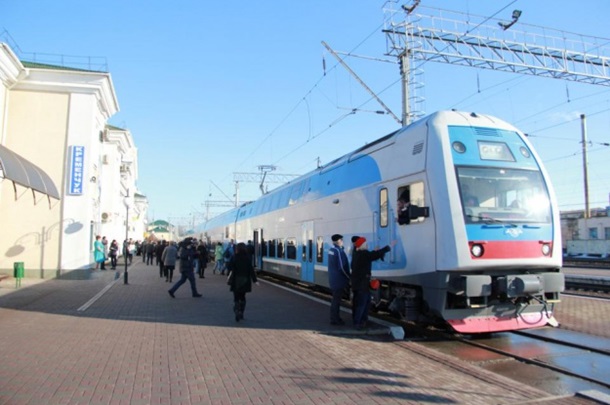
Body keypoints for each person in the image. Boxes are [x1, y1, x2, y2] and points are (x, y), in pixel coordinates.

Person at [350, 237, 392, 330]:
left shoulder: (356, 254)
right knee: (362, 303)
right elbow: (374, 255)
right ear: (362, 245)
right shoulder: (364, 254)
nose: (367, 245)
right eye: (365, 244)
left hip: (357, 284)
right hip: (362, 284)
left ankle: (360, 320)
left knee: (360, 302)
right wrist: (388, 247)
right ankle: (358, 322)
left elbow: (371, 255)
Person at [227, 242, 259, 322]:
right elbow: (251, 270)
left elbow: (229, 267)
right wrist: (255, 280)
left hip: (236, 280)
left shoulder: (234, 257)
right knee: (243, 297)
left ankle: (236, 310)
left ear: (237, 249)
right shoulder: (247, 258)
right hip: (245, 280)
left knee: (236, 297)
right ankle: (241, 312)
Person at [327, 234, 351, 325]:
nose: (342, 241)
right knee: (336, 301)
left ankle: (334, 318)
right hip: (339, 280)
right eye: (341, 240)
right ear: (339, 241)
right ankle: (335, 319)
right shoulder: (338, 251)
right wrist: (348, 276)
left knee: (335, 300)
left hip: (333, 279)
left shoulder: (331, 250)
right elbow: (342, 267)